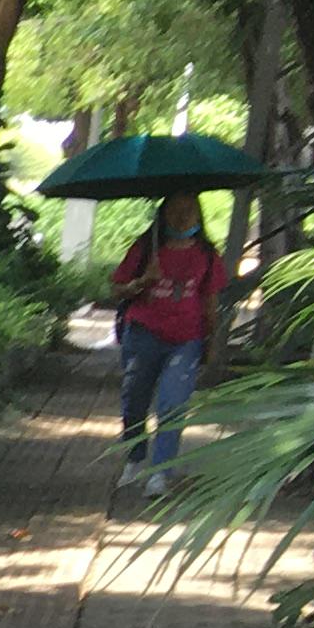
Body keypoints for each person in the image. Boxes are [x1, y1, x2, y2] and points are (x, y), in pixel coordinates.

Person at [110, 191, 229, 491]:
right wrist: (142, 282)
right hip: (143, 334)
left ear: (198, 216)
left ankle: (161, 472)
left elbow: (210, 302)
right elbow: (117, 288)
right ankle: (135, 458)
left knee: (173, 403)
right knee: (135, 400)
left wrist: (211, 341)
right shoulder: (145, 248)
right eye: (175, 209)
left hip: (186, 339)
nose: (182, 217)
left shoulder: (207, 255)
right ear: (163, 214)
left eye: (189, 210)